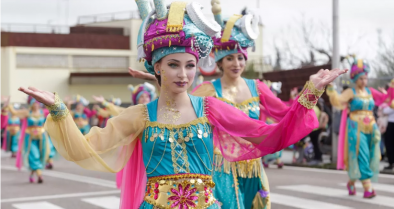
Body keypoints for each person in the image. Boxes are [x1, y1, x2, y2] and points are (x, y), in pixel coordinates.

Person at [19, 0, 344, 207]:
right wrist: (59, 111)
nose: (184, 74)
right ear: (156, 67)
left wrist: (307, 95)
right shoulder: (139, 116)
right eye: (174, 65)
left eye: (190, 65)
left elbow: (268, 136)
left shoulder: (211, 108)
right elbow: (85, 149)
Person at [327, 58, 392, 198]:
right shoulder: (351, 92)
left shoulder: (370, 91)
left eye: (366, 78)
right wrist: (331, 88)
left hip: (372, 127)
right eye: (361, 78)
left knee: (369, 156)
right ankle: (367, 187)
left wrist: (391, 89)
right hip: (355, 127)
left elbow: (385, 100)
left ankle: (351, 182)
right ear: (355, 79)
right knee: (361, 155)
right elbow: (337, 101)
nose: (364, 81)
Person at [10, 96, 52, 183]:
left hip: (41, 138)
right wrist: (8, 104)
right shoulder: (27, 112)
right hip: (30, 139)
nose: (35, 105)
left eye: (37, 103)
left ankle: (32, 174)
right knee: (35, 155)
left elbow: (54, 113)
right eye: (34, 103)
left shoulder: (43, 112)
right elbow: (14, 112)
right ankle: (40, 175)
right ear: (31, 104)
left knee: (40, 156)